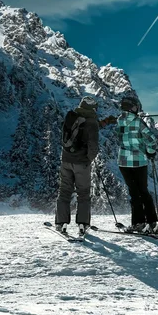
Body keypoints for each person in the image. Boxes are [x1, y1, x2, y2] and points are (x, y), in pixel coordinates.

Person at [55, 96, 116, 236]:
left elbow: (80, 131)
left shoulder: (72, 117)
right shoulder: (92, 123)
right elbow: (93, 146)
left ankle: (61, 222)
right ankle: (82, 224)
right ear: (93, 108)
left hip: (65, 160)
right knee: (83, 193)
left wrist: (105, 122)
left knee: (64, 191)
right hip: (81, 163)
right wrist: (88, 159)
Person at [116, 94, 158, 234]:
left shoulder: (119, 121)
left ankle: (138, 223)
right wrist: (151, 152)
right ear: (132, 107)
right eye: (135, 106)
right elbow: (151, 139)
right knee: (144, 191)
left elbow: (119, 137)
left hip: (123, 162)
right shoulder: (139, 122)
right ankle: (152, 222)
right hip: (139, 162)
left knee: (134, 193)